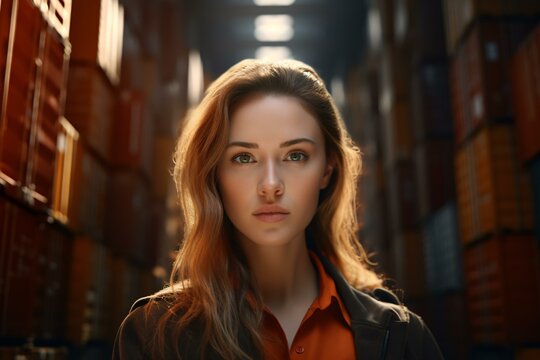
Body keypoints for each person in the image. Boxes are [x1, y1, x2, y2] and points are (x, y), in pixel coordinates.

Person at [113, 59, 443, 359]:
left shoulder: (403, 337)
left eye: (295, 155)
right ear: (213, 173)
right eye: (243, 158)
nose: (270, 185)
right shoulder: (153, 334)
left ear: (327, 168)